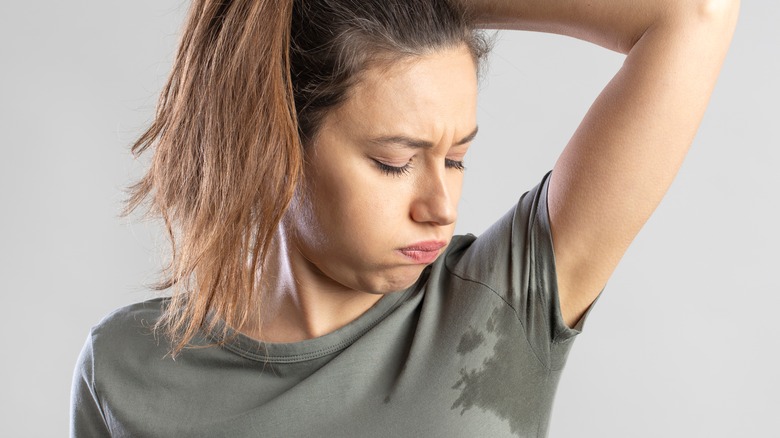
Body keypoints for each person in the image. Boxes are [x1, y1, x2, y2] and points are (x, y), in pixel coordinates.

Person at [70, 0, 739, 436]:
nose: (440, 207)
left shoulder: (506, 302)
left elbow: (696, 11)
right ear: (273, 144)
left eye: (456, 159)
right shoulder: (127, 372)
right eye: (394, 162)